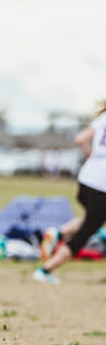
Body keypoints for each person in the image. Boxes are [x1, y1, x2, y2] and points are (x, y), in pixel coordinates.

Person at [34, 101, 106, 284]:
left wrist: (92, 156)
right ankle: (45, 269)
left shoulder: (103, 117)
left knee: (93, 219)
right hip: (101, 185)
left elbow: (80, 139)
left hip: (86, 178)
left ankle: (59, 232)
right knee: (87, 231)